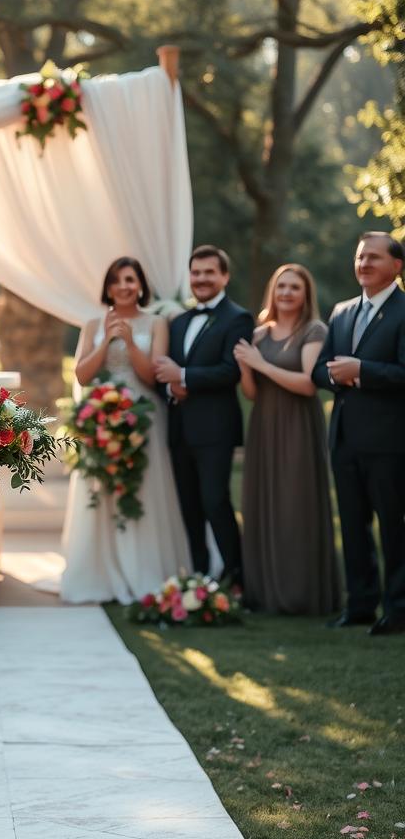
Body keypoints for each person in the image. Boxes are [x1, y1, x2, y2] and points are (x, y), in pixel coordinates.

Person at [59, 257, 190, 604]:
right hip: (100, 416)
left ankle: (144, 569)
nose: (124, 286)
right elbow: (82, 376)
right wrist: (106, 342)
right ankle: (99, 572)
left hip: (144, 418)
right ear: (108, 287)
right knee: (101, 490)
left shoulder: (156, 323)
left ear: (141, 284)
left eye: (130, 280)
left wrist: (130, 342)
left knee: (144, 490)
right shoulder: (91, 324)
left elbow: (151, 376)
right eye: (117, 280)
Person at [312, 233, 405, 636]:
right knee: (352, 525)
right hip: (345, 438)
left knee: (394, 527)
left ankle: (399, 609)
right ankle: (360, 604)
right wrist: (336, 375)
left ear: (396, 266)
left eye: (373, 257)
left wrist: (362, 371)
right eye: (360, 256)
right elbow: (319, 369)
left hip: (389, 441)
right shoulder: (342, 312)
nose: (364, 263)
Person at [235, 264, 339, 615]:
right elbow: (251, 393)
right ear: (272, 291)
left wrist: (260, 365)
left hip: (298, 426)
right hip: (264, 425)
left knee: (296, 506)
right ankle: (264, 593)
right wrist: (247, 368)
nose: (287, 293)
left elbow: (309, 384)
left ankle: (301, 595)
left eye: (295, 287)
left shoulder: (314, 331)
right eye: (281, 286)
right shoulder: (260, 334)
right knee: (263, 503)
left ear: (306, 293)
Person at [154, 245, 254, 586]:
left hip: (215, 429)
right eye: (196, 273)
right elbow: (163, 374)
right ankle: (199, 575)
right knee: (190, 506)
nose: (202, 279)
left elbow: (230, 371)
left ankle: (236, 574)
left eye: (210, 272)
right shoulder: (179, 320)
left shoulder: (238, 318)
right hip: (179, 428)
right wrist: (173, 386)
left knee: (215, 500)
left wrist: (182, 377)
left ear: (224, 276)